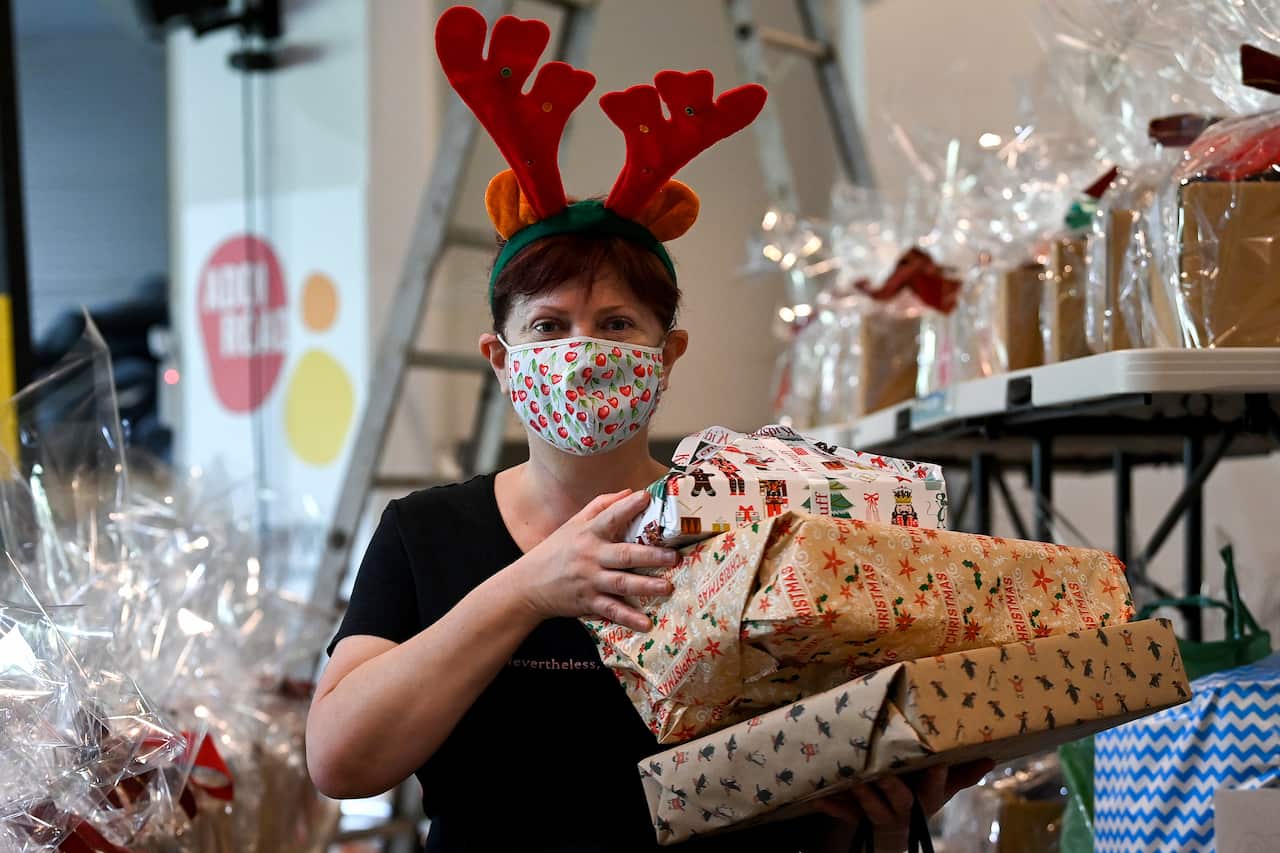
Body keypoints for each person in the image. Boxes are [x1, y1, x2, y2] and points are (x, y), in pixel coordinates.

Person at [307, 7, 990, 851]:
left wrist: (885, 820)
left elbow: (829, 753)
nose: (582, 351)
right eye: (548, 326)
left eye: (617, 323)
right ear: (499, 356)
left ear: (667, 355)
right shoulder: (426, 536)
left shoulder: (745, 521)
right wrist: (528, 588)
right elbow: (339, 759)